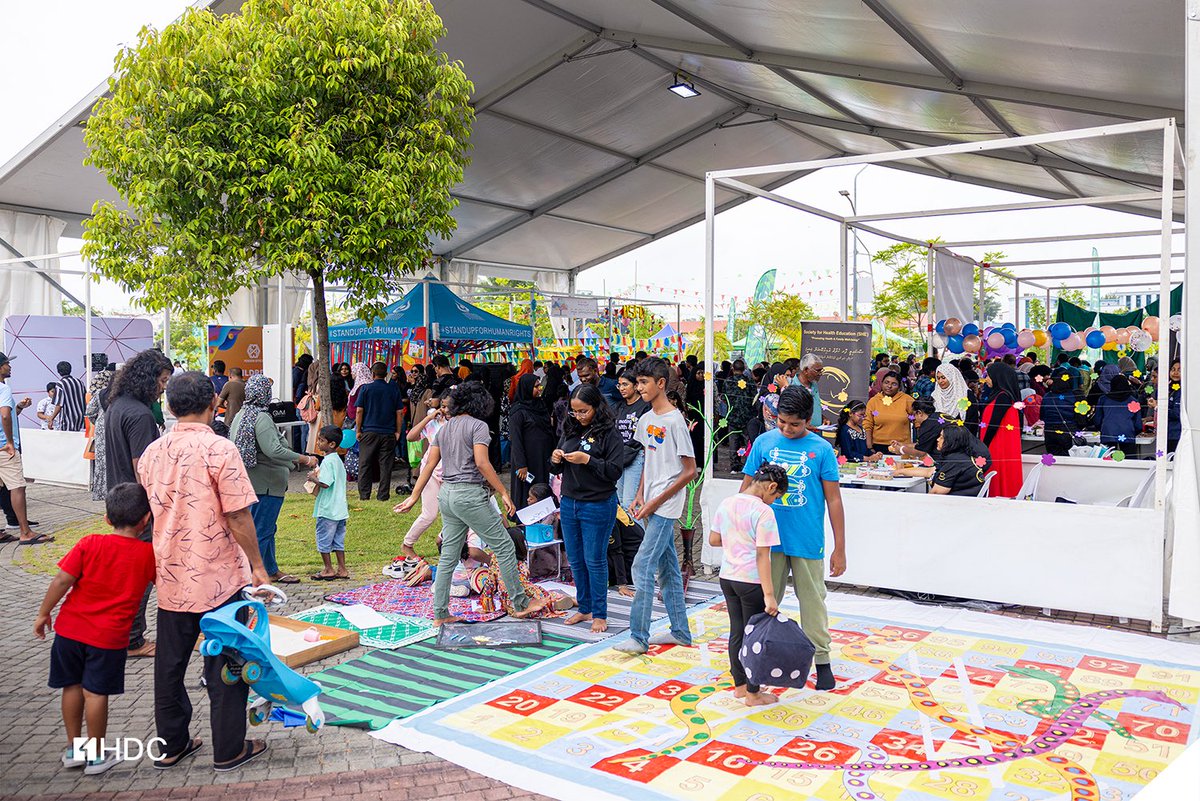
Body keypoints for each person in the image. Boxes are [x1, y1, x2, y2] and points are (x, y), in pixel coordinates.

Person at [136, 371, 272, 772]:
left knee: (170, 666)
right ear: (215, 404)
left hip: (172, 575)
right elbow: (238, 514)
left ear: (170, 406)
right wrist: (259, 566)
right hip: (218, 578)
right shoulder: (220, 450)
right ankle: (228, 749)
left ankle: (172, 744)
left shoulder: (152, 453)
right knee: (227, 665)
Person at [396, 382, 548, 624]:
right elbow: (482, 462)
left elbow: (429, 464)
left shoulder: (444, 429)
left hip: (447, 495)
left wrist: (414, 496)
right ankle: (520, 603)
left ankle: (441, 613)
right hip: (469, 495)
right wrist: (503, 492)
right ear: (481, 404)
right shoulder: (479, 426)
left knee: (449, 554)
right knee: (505, 547)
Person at [33, 482, 156, 774]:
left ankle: (75, 749)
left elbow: (62, 580)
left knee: (71, 686)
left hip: (69, 631)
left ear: (107, 519)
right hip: (108, 638)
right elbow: (165, 584)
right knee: (96, 693)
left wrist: (43, 613)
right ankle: (97, 755)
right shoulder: (147, 555)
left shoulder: (89, 544)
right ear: (146, 519)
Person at [739, 386, 845, 690]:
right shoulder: (763, 443)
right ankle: (756, 661)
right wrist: (739, 529)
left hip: (807, 539)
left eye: (795, 424)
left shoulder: (822, 450)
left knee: (813, 601)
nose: (786, 429)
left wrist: (840, 547)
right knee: (763, 601)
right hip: (766, 541)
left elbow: (834, 500)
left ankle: (821, 661)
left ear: (808, 420)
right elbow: (746, 489)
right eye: (781, 422)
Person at [615, 357, 697, 655]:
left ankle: (639, 636)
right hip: (650, 502)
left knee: (642, 564)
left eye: (644, 382)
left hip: (665, 507)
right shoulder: (647, 419)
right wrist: (639, 494)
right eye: (637, 382)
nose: (639, 387)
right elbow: (649, 458)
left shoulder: (675, 422)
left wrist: (654, 502)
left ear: (661, 384)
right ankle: (680, 632)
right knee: (669, 570)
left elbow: (690, 471)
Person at [104, 349, 173, 656]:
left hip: (119, 499)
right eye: (162, 380)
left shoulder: (117, 405)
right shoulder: (141, 415)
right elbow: (143, 470)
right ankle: (133, 638)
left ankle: (126, 634)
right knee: (141, 575)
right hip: (138, 506)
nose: (163, 388)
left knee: (129, 572)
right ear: (147, 379)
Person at [709, 464, 787, 707]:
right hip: (750, 580)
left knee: (737, 632)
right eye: (776, 496)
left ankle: (740, 686)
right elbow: (763, 556)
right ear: (771, 487)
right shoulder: (763, 512)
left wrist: (736, 539)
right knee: (754, 637)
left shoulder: (728, 502)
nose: (774, 501)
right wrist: (770, 595)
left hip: (728, 577)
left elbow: (713, 539)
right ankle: (753, 693)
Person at [231, 375, 318, 585]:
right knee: (262, 531)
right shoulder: (261, 417)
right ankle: (257, 577)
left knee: (265, 529)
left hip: (252, 482)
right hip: (267, 484)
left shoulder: (241, 415)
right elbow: (273, 449)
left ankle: (271, 570)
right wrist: (304, 458)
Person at [551, 383, 624, 634]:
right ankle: (584, 607)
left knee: (594, 559)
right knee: (575, 559)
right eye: (575, 411)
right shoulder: (570, 428)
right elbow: (557, 470)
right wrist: (556, 459)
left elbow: (614, 471)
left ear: (596, 407)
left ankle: (600, 613)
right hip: (570, 502)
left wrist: (589, 460)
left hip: (598, 503)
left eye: (584, 411)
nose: (579, 416)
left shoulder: (610, 434)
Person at [387, 391, 448, 579]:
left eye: (448, 406)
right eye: (442, 406)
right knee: (429, 514)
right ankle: (408, 544)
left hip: (451, 475)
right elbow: (411, 437)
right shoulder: (432, 423)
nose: (445, 410)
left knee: (452, 515)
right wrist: (428, 417)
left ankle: (448, 547)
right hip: (430, 472)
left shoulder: (458, 424)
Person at [354, 362, 403, 502]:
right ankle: (383, 495)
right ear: (386, 374)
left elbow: (359, 410)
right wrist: (398, 431)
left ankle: (364, 495)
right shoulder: (393, 390)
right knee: (386, 465)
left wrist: (358, 430)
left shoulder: (365, 389)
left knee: (365, 464)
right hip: (388, 432)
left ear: (372, 374)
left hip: (368, 431)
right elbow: (399, 412)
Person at [506, 374, 554, 512]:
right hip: (527, 460)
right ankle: (525, 518)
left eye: (540, 386)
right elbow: (516, 439)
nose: (539, 389)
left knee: (542, 487)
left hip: (542, 457)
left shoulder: (540, 405)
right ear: (526, 388)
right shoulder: (518, 411)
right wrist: (521, 464)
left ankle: (544, 515)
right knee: (527, 489)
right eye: (536, 386)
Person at [308, 425, 350, 580]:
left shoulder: (327, 461)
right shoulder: (338, 460)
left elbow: (325, 483)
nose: (318, 443)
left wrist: (313, 478)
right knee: (338, 540)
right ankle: (342, 569)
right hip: (340, 509)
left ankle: (328, 569)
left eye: (321, 440)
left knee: (324, 539)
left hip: (328, 509)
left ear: (331, 444)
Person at [979, 361, 1023, 497]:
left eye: (989, 376)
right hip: (997, 443)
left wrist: (983, 445)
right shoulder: (1000, 395)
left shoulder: (1003, 396)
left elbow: (994, 423)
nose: (986, 379)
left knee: (997, 474)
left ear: (998, 377)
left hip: (998, 445)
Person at [614, 368, 651, 510]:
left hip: (637, 456)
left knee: (631, 503)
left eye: (625, 384)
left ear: (636, 386)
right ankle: (632, 532)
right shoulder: (620, 407)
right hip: (619, 457)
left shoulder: (645, 406)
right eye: (619, 385)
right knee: (622, 503)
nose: (621, 389)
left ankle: (639, 533)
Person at [863, 371, 914, 454]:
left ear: (899, 387)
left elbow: (917, 420)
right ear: (882, 383)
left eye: (894, 384)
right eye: (886, 383)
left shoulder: (907, 400)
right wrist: (869, 448)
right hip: (877, 447)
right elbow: (868, 425)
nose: (889, 386)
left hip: (901, 447)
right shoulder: (873, 401)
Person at [85, 366, 116, 503]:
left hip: (102, 430)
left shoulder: (99, 394)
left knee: (102, 462)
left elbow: (90, 412)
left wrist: (98, 422)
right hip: (117, 428)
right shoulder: (122, 396)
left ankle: (102, 491)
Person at [1095, 375, 1143, 456]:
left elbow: (1097, 420)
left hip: (1108, 433)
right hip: (1127, 434)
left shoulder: (1103, 399)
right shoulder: (1133, 401)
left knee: (1107, 461)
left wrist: (1101, 429)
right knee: (1129, 463)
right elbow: (1138, 424)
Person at [1040, 373, 1080, 456]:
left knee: (1053, 458)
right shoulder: (1074, 396)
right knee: (1070, 458)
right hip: (1068, 429)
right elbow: (1079, 417)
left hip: (1050, 431)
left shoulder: (1047, 396)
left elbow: (1042, 416)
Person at [46, 360, 86, 433]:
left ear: (58, 371)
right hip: (81, 418)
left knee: (68, 441)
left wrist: (52, 418)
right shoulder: (79, 382)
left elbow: (59, 404)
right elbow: (85, 398)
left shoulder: (60, 384)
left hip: (68, 419)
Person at [791, 354, 827, 426]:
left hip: (816, 433)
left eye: (821, 370)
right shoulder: (791, 385)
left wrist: (822, 418)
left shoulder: (814, 384)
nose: (820, 374)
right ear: (806, 370)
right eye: (818, 370)